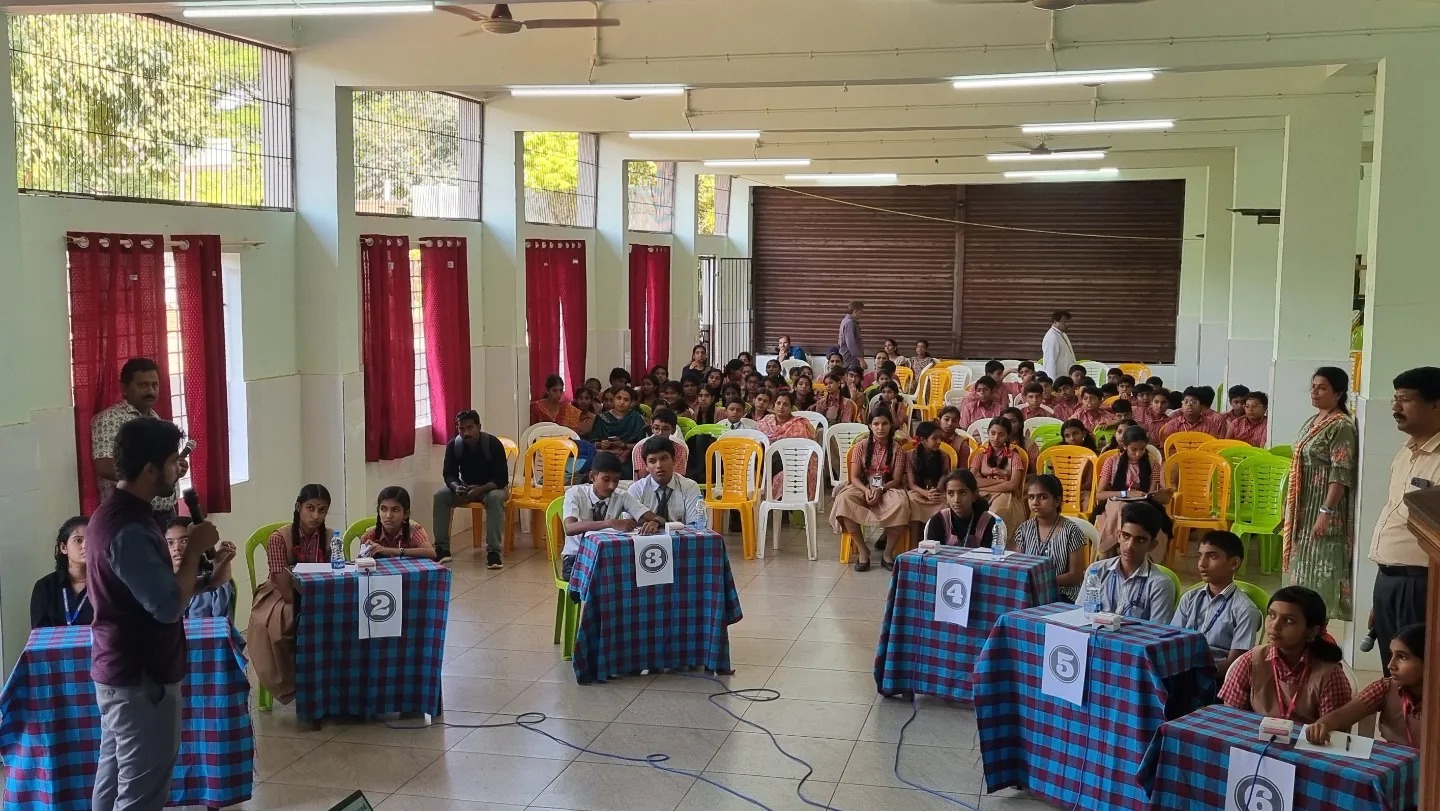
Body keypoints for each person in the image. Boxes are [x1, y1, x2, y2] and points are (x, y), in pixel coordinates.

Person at [87, 417, 224, 811]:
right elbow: (165, 606)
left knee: (112, 783)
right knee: (140, 795)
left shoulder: (119, 510)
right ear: (150, 469)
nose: (178, 470)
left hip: (123, 674)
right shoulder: (127, 527)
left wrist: (200, 581)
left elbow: (149, 591)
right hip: (141, 681)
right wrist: (195, 548)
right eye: (171, 462)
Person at [1369, 367, 1440, 670]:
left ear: (1436, 405)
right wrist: (1383, 592)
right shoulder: (1406, 452)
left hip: (1422, 584)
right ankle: (1396, 720)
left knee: (1418, 672)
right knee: (1393, 669)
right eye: (1395, 399)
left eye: (1406, 399)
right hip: (1390, 580)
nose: (1396, 408)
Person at [1283, 366, 1358, 622]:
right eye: (1313, 386)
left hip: (1322, 509)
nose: (1314, 391)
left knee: (1320, 580)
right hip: (1304, 509)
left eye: (1322, 387)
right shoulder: (1313, 421)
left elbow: (1340, 473)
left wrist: (1325, 512)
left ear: (1338, 393)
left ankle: (1317, 636)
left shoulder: (1341, 426)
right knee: (1301, 579)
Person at [248, 484, 332, 705]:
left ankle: (331, 683)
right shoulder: (279, 538)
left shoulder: (331, 537)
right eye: (310, 508)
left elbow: (335, 576)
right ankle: (295, 685)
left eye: (322, 510)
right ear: (298, 507)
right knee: (285, 620)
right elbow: (283, 586)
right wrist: (310, 604)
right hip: (282, 594)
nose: (315, 516)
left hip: (319, 594)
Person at [1219, 586, 1353, 725]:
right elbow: (1232, 718)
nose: (1275, 625)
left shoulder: (1329, 675)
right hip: (1256, 742)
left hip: (1307, 745)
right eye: (1272, 615)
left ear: (1312, 631)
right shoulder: (1251, 661)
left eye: (1289, 621)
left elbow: (1334, 733)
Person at [91, 357, 187, 521]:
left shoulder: (156, 420)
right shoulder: (109, 419)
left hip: (165, 514)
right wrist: (155, 474)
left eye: (154, 385)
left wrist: (175, 468)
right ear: (124, 388)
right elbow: (104, 466)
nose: (150, 390)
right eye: (143, 385)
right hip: (130, 515)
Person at [1306, 623, 1424, 750]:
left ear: (1431, 660)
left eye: (1402, 657)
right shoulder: (1386, 688)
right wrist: (1321, 725)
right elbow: (1342, 715)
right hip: (1398, 766)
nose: (1390, 665)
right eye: (1392, 655)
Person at [1172, 531, 1261, 679]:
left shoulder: (1245, 610)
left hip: (1215, 678)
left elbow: (1234, 665)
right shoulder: (1189, 598)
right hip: (1180, 670)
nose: (1202, 563)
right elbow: (1172, 641)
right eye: (1200, 556)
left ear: (1234, 563)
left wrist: (1196, 673)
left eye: (1212, 556)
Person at [830, 408, 910, 571]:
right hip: (862, 486)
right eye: (876, 424)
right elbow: (854, 477)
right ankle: (863, 550)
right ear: (870, 425)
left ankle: (887, 553)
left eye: (885, 423)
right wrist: (867, 490)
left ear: (891, 426)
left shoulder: (898, 450)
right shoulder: (861, 446)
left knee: (902, 504)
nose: (880, 428)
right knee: (844, 500)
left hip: (887, 488)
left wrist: (880, 489)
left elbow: (896, 479)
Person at [561, 452, 661, 579]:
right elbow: (570, 528)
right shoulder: (575, 493)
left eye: (616, 481)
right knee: (598, 583)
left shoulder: (621, 496)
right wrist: (609, 523)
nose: (612, 486)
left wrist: (655, 522)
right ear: (592, 476)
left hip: (608, 556)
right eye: (606, 479)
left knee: (636, 576)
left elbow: (656, 517)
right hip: (576, 557)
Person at [433, 410, 509, 568]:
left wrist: (480, 490)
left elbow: (501, 479)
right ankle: (442, 549)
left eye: (470, 427)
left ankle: (493, 552)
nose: (466, 432)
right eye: (461, 429)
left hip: (492, 487)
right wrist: (456, 487)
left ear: (478, 427)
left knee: (495, 498)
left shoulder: (493, 444)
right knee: (440, 497)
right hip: (466, 487)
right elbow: (449, 474)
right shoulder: (454, 445)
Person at [1083, 501, 1177, 622]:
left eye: (1141, 540)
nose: (1129, 546)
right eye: (1126, 536)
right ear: (1118, 536)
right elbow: (1081, 614)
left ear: (1152, 545)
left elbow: (1157, 634)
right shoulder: (1096, 572)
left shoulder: (1160, 585)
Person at [1095, 425, 1171, 551]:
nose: (1138, 453)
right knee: (1121, 508)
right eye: (1133, 449)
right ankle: (1113, 548)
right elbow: (1099, 494)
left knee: (1145, 515)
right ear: (1124, 446)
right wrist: (1126, 494)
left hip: (1143, 503)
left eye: (1142, 449)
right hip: (1116, 502)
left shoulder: (1153, 463)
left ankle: (1143, 553)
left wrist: (1159, 496)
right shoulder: (1111, 462)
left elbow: (1150, 493)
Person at [1014, 474, 1089, 602]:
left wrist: (1043, 582)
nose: (1035, 502)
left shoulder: (1071, 531)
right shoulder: (1024, 529)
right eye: (1031, 497)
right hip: (1031, 592)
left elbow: (1075, 576)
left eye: (1043, 497)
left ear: (1057, 501)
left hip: (1063, 594)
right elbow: (1018, 566)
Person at [628, 436, 706, 529]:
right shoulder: (636, 490)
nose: (659, 465)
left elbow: (695, 526)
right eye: (652, 461)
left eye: (664, 459)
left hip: (680, 540)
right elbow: (630, 526)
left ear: (673, 460)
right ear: (646, 467)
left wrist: (664, 526)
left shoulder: (690, 487)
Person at [969, 417, 1027, 540]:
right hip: (983, 493)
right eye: (993, 433)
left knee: (997, 512)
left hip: (1006, 495)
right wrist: (1001, 481)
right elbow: (971, 481)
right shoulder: (980, 455)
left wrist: (986, 484)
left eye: (1001, 434)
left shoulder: (1014, 457)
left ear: (1007, 436)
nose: (996, 438)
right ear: (988, 433)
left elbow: (1013, 485)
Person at [31, 516, 93, 628]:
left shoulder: (105, 584)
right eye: (78, 540)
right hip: (54, 646)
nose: (85, 545)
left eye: (91, 539)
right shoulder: (45, 587)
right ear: (63, 548)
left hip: (96, 646)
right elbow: (39, 634)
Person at [758, 391, 819, 498]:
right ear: (773, 405)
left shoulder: (798, 425)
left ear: (791, 407)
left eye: (785, 404)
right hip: (766, 460)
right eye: (778, 403)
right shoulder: (766, 421)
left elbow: (802, 452)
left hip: (792, 462)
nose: (781, 407)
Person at [901, 421, 953, 544]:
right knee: (912, 501)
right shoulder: (910, 456)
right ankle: (914, 544)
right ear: (923, 440)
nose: (939, 441)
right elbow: (912, 483)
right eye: (934, 438)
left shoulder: (943, 456)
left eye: (940, 438)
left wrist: (936, 491)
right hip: (917, 491)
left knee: (945, 503)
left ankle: (938, 541)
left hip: (936, 491)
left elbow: (945, 476)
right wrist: (925, 493)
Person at [923, 470, 1000, 548]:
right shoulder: (938, 521)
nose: (956, 500)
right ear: (946, 497)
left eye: (963, 493)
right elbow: (931, 556)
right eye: (950, 493)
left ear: (974, 495)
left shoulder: (989, 523)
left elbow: (991, 558)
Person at [359, 486, 436, 560]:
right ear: (378, 512)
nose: (388, 516)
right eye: (383, 509)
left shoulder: (413, 531)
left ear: (405, 514)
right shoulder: (369, 537)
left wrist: (388, 551)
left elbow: (432, 553)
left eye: (395, 510)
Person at [591, 385, 649, 478]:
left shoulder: (636, 418)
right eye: (619, 398)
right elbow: (593, 442)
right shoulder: (602, 418)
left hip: (629, 456)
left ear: (631, 402)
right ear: (613, 399)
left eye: (626, 400)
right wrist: (601, 444)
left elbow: (642, 444)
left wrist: (624, 446)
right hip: (605, 455)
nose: (621, 402)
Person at [1158, 386, 1226, 440]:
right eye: (1186, 402)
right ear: (1181, 405)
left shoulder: (1210, 425)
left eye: (1194, 402)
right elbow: (1167, 448)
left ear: (1200, 405)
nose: (1189, 405)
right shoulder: (1172, 425)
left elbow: (1212, 447)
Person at [1041, 310, 1076, 382]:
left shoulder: (1062, 334)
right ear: (1055, 322)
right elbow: (1050, 362)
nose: (1067, 325)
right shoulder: (1051, 338)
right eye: (1065, 322)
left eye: (1068, 322)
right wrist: (1052, 383)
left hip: (1066, 378)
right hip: (1058, 380)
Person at [838, 300, 865, 367]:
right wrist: (860, 359)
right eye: (860, 312)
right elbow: (851, 343)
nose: (861, 314)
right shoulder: (850, 323)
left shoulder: (845, 321)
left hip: (847, 357)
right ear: (855, 311)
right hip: (850, 359)